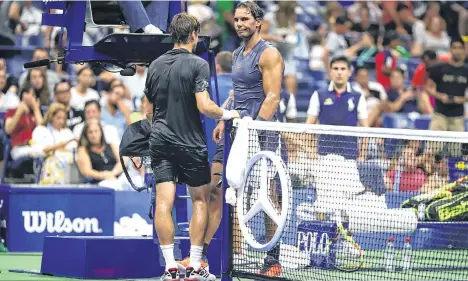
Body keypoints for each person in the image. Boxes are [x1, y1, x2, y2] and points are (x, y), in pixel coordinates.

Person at [179, 1, 285, 278]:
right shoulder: (237, 53)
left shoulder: (269, 54)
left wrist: (254, 132)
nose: (239, 24)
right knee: (214, 190)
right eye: (236, 19)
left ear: (258, 22)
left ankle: (273, 260)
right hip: (234, 132)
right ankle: (198, 256)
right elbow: (237, 93)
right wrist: (223, 118)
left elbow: (272, 96)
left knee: (267, 197)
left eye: (245, 19)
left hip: (262, 134)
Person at [144, 13, 239, 281]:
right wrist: (226, 114)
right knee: (200, 199)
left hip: (160, 141)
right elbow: (204, 105)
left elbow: (148, 110)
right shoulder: (198, 64)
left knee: (164, 202)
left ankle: (170, 267)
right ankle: (196, 266)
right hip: (189, 143)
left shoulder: (155, 64)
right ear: (194, 35)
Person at [306, 56, 369, 160]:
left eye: (343, 69)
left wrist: (361, 156)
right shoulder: (318, 95)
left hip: (350, 157)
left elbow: (365, 130)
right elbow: (308, 126)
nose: (339, 73)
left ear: (349, 72)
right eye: (335, 69)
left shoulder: (358, 96)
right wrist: (311, 152)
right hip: (324, 155)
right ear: (330, 72)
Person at [425, 37, 468, 156]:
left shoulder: (466, 70)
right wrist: (440, 96)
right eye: (455, 47)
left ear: (464, 50)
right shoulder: (439, 68)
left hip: (458, 117)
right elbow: (428, 87)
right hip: (439, 115)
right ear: (450, 49)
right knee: (431, 152)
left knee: (455, 155)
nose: (457, 51)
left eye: (460, 48)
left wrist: (461, 100)